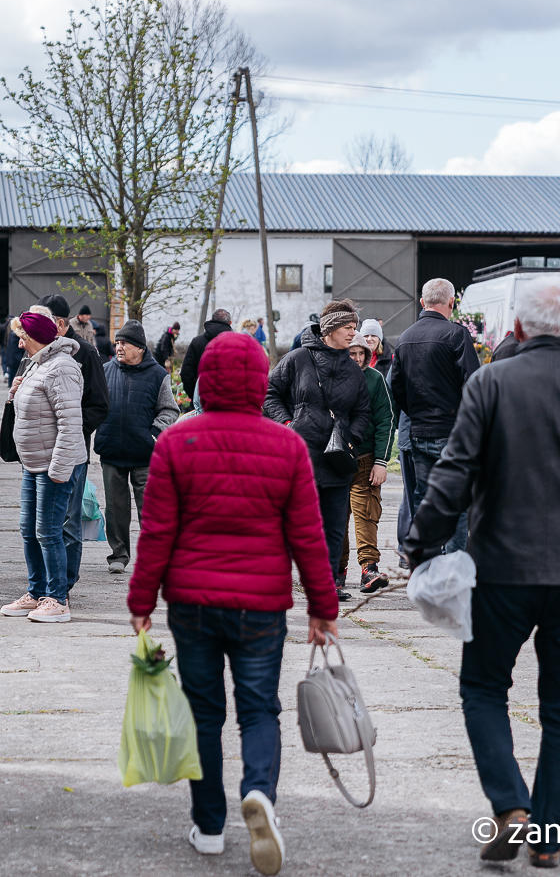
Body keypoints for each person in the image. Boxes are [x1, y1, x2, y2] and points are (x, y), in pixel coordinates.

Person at [402, 276, 560, 869]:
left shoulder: (490, 384)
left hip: (499, 569)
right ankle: (548, 838)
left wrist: (419, 547)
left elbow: (453, 475)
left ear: (516, 328)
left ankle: (510, 805)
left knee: (483, 688)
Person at [127, 331, 339, 876]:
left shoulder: (176, 441)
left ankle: (209, 827)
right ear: (259, 380)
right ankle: (259, 792)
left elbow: (157, 531)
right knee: (259, 709)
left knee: (203, 714)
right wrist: (322, 607)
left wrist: (141, 599)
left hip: (193, 603)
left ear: (204, 379)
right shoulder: (287, 446)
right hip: (261, 605)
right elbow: (308, 535)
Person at [264, 299, 371, 601]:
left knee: (334, 526)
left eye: (354, 327)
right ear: (330, 329)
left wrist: (350, 438)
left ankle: (326, 585)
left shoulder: (354, 370)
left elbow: (363, 412)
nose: (353, 333)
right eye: (348, 327)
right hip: (300, 457)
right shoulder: (298, 358)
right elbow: (270, 393)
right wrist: (287, 425)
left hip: (337, 459)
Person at [0, 311, 85, 623]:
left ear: (35, 337)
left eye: (22, 338)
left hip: (53, 466)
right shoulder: (37, 364)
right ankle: (36, 592)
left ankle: (57, 599)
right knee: (29, 530)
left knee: (48, 531)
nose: (20, 344)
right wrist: (14, 393)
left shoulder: (61, 367)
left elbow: (70, 424)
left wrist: (59, 469)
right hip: (33, 464)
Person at [388, 278, 480, 557]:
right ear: (452, 302)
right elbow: (474, 384)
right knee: (455, 502)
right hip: (451, 430)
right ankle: (452, 566)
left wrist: (415, 411)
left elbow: (396, 387)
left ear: (422, 302)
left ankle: (424, 562)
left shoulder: (405, 337)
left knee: (423, 499)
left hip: (419, 431)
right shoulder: (456, 335)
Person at [35, 294, 110, 594]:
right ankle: (46, 581)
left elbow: (99, 405)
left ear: (60, 323)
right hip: (41, 452)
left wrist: (72, 432)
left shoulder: (85, 353)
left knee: (68, 520)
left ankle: (63, 585)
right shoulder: (41, 350)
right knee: (42, 521)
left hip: (71, 452)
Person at [93, 319, 179, 574]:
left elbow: (170, 410)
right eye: (117, 343)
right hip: (111, 451)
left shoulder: (158, 375)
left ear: (140, 348)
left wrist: (153, 435)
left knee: (150, 510)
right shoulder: (105, 371)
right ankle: (119, 555)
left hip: (145, 454)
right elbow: (93, 405)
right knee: (115, 508)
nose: (119, 347)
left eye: (125, 343)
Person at [341, 342, 395, 594]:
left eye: (361, 353)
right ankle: (336, 571)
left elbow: (386, 419)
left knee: (366, 514)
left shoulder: (375, 378)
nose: (357, 357)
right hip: (334, 459)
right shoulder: (331, 373)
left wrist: (381, 461)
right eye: (352, 352)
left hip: (366, 458)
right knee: (336, 518)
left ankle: (369, 569)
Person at [179, 309, 233, 402]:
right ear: (230, 323)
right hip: (229, 398)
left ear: (211, 320)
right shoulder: (237, 343)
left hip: (202, 396)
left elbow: (187, 372)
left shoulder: (197, 342)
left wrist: (193, 395)